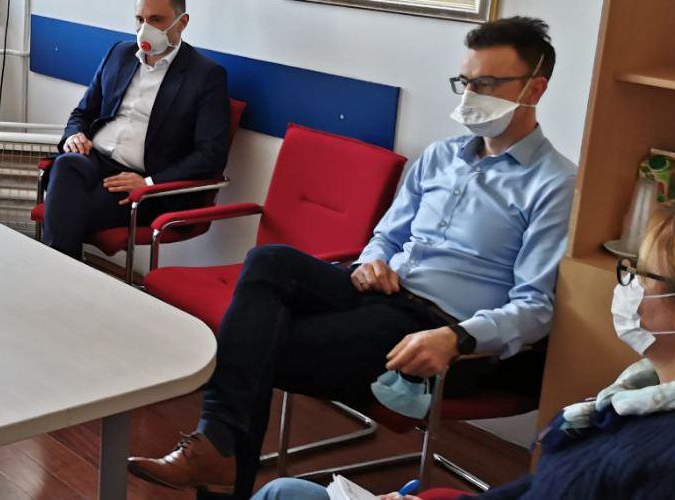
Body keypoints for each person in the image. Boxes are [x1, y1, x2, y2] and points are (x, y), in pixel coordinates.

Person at [127, 17, 575, 497]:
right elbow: (387, 234)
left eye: (486, 84)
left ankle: (219, 459)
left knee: (255, 346)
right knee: (270, 261)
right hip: (383, 291)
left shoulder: (555, 184)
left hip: (437, 325)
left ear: (534, 88)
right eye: (464, 81)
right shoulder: (441, 156)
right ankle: (219, 454)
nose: (469, 96)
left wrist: (458, 337)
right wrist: (372, 261)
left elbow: (536, 307)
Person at [245, 197, 675, 499]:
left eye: (641, 273)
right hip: (395, 300)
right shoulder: (656, 397)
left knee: (280, 494)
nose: (628, 283)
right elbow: (541, 489)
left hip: (445, 326)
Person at [41, 0, 231, 259]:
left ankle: (55, 272)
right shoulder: (119, 53)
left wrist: (149, 183)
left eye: (156, 20)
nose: (145, 29)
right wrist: (75, 135)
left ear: (182, 23)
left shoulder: (205, 75)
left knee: (69, 208)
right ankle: (64, 274)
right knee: (65, 164)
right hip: (94, 159)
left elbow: (211, 154)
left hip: (141, 180)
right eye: (140, 20)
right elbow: (82, 113)